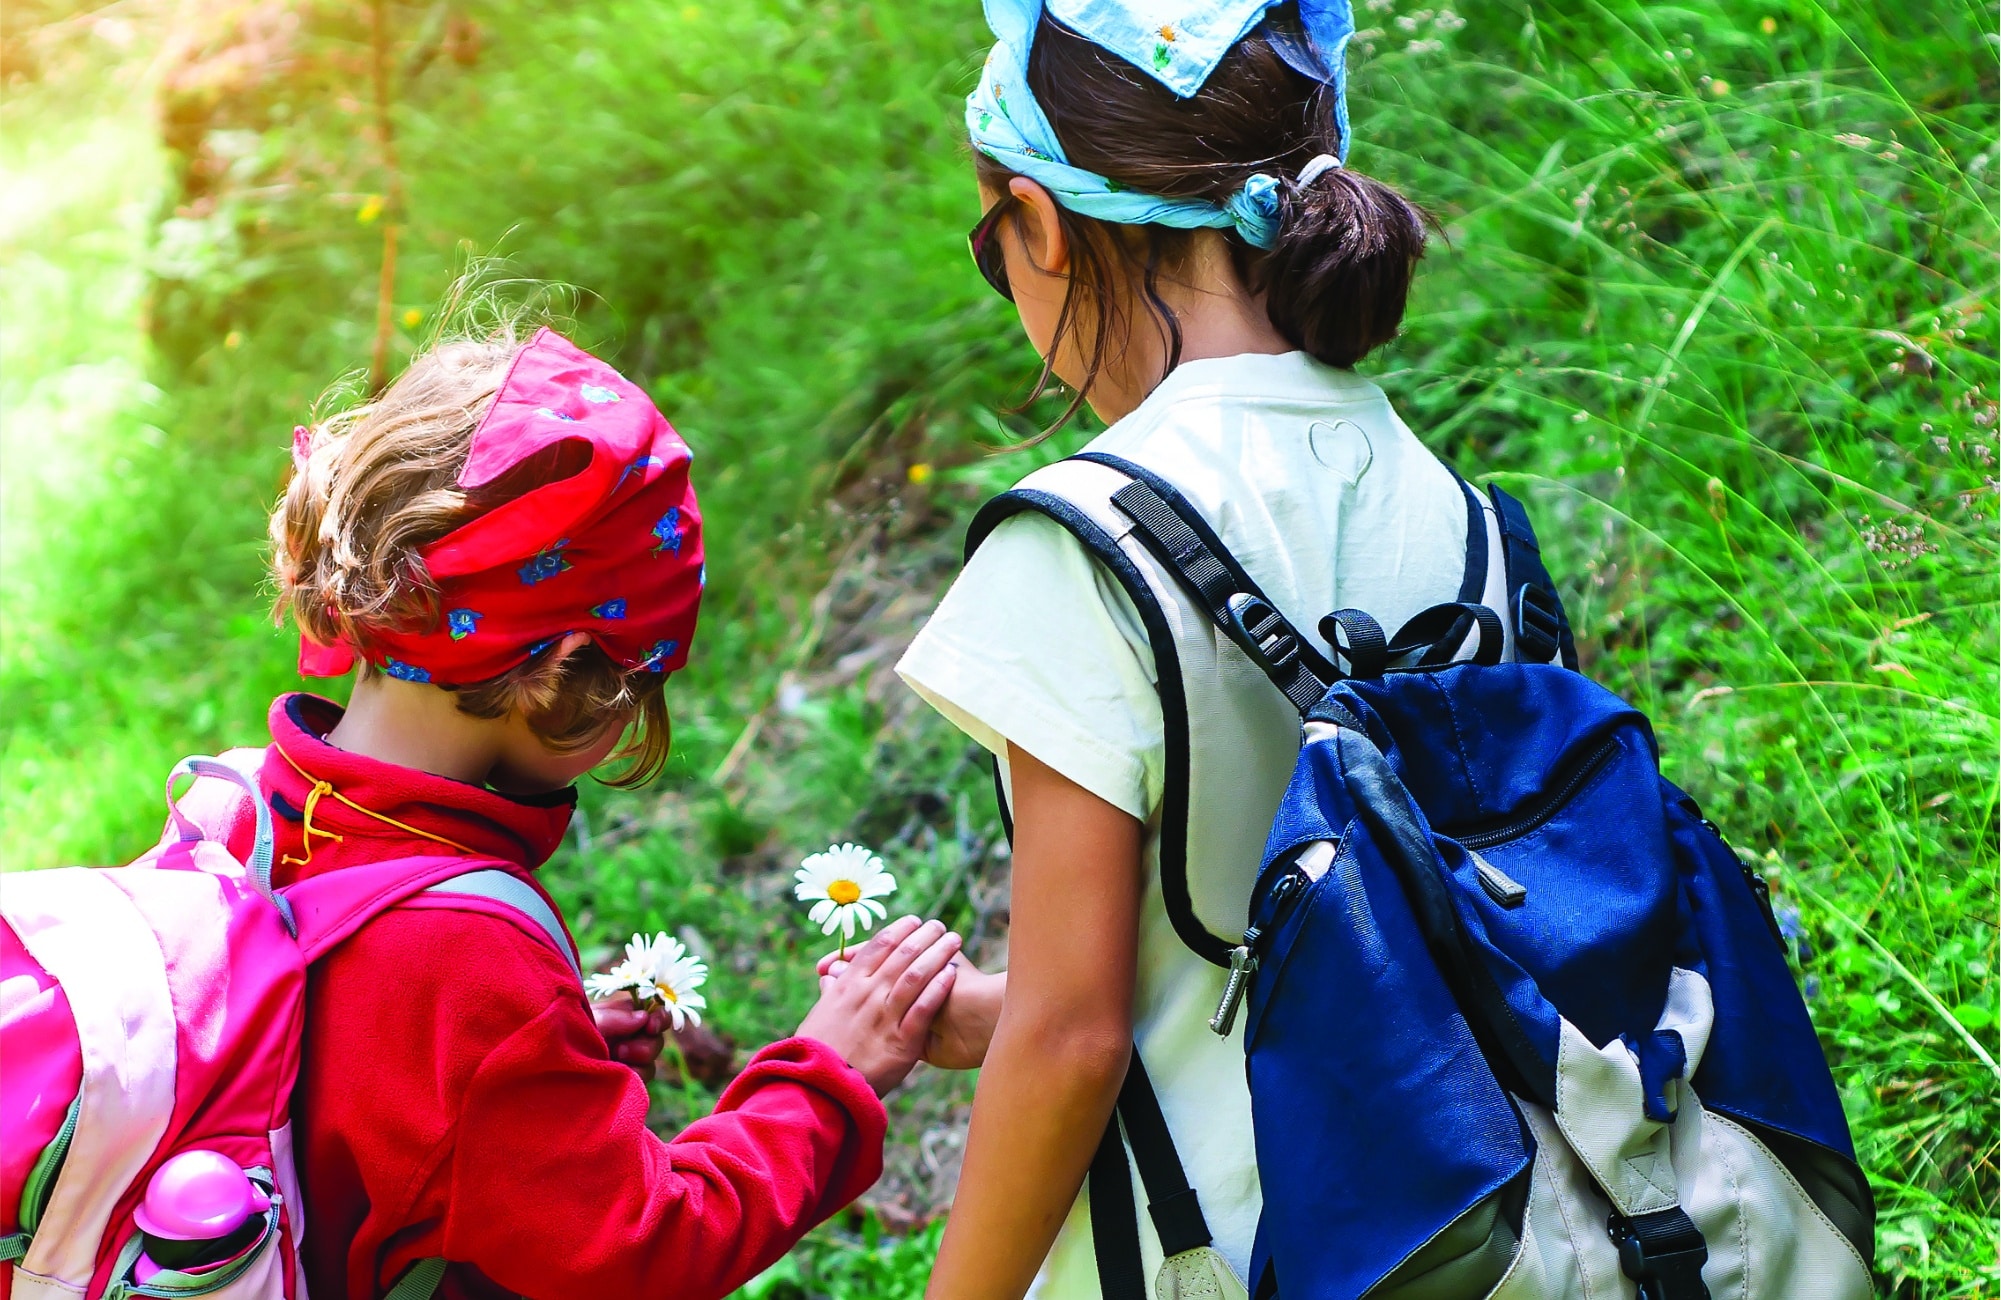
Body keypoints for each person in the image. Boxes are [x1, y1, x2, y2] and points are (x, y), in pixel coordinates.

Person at [173, 318, 963, 1300]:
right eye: (641, 685)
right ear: (562, 672)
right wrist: (830, 1074)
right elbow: (648, 1251)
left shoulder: (238, 810)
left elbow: (324, 1069)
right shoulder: (467, 959)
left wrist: (519, 1071)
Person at [890, 1, 1478, 1295]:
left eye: (994, 254)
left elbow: (1073, 1039)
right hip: (1483, 1232)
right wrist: (1006, 1005)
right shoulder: (1461, 511)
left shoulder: (1081, 540)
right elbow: (1369, 912)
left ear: (1040, 222)